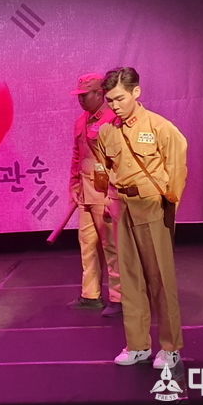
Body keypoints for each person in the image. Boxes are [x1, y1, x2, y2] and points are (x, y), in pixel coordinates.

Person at [95, 67, 187, 369]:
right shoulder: (107, 131)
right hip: (122, 206)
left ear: (136, 92)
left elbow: (177, 163)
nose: (114, 105)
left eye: (120, 98)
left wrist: (169, 201)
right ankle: (137, 345)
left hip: (150, 205)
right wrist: (106, 196)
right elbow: (103, 166)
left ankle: (170, 347)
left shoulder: (159, 127)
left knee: (160, 278)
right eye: (110, 100)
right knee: (130, 278)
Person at [68, 73, 122, 317]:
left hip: (104, 190)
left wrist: (113, 193)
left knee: (111, 245)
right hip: (85, 192)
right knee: (87, 244)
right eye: (78, 96)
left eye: (85, 95)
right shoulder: (81, 121)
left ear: (100, 93)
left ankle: (119, 297)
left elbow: (117, 160)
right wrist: (73, 184)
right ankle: (90, 295)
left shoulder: (113, 119)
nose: (80, 100)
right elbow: (77, 156)